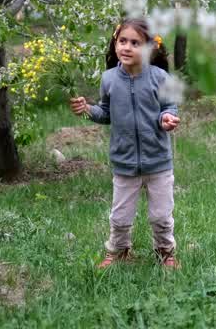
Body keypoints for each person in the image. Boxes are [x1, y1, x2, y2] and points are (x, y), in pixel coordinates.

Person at [69, 18, 182, 269]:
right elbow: (105, 113)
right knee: (120, 217)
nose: (127, 47)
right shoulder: (109, 79)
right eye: (122, 41)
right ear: (115, 43)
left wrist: (167, 118)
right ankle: (119, 251)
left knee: (161, 216)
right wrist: (87, 109)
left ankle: (165, 252)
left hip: (158, 161)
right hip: (124, 161)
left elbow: (169, 107)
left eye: (135, 43)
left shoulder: (160, 78)